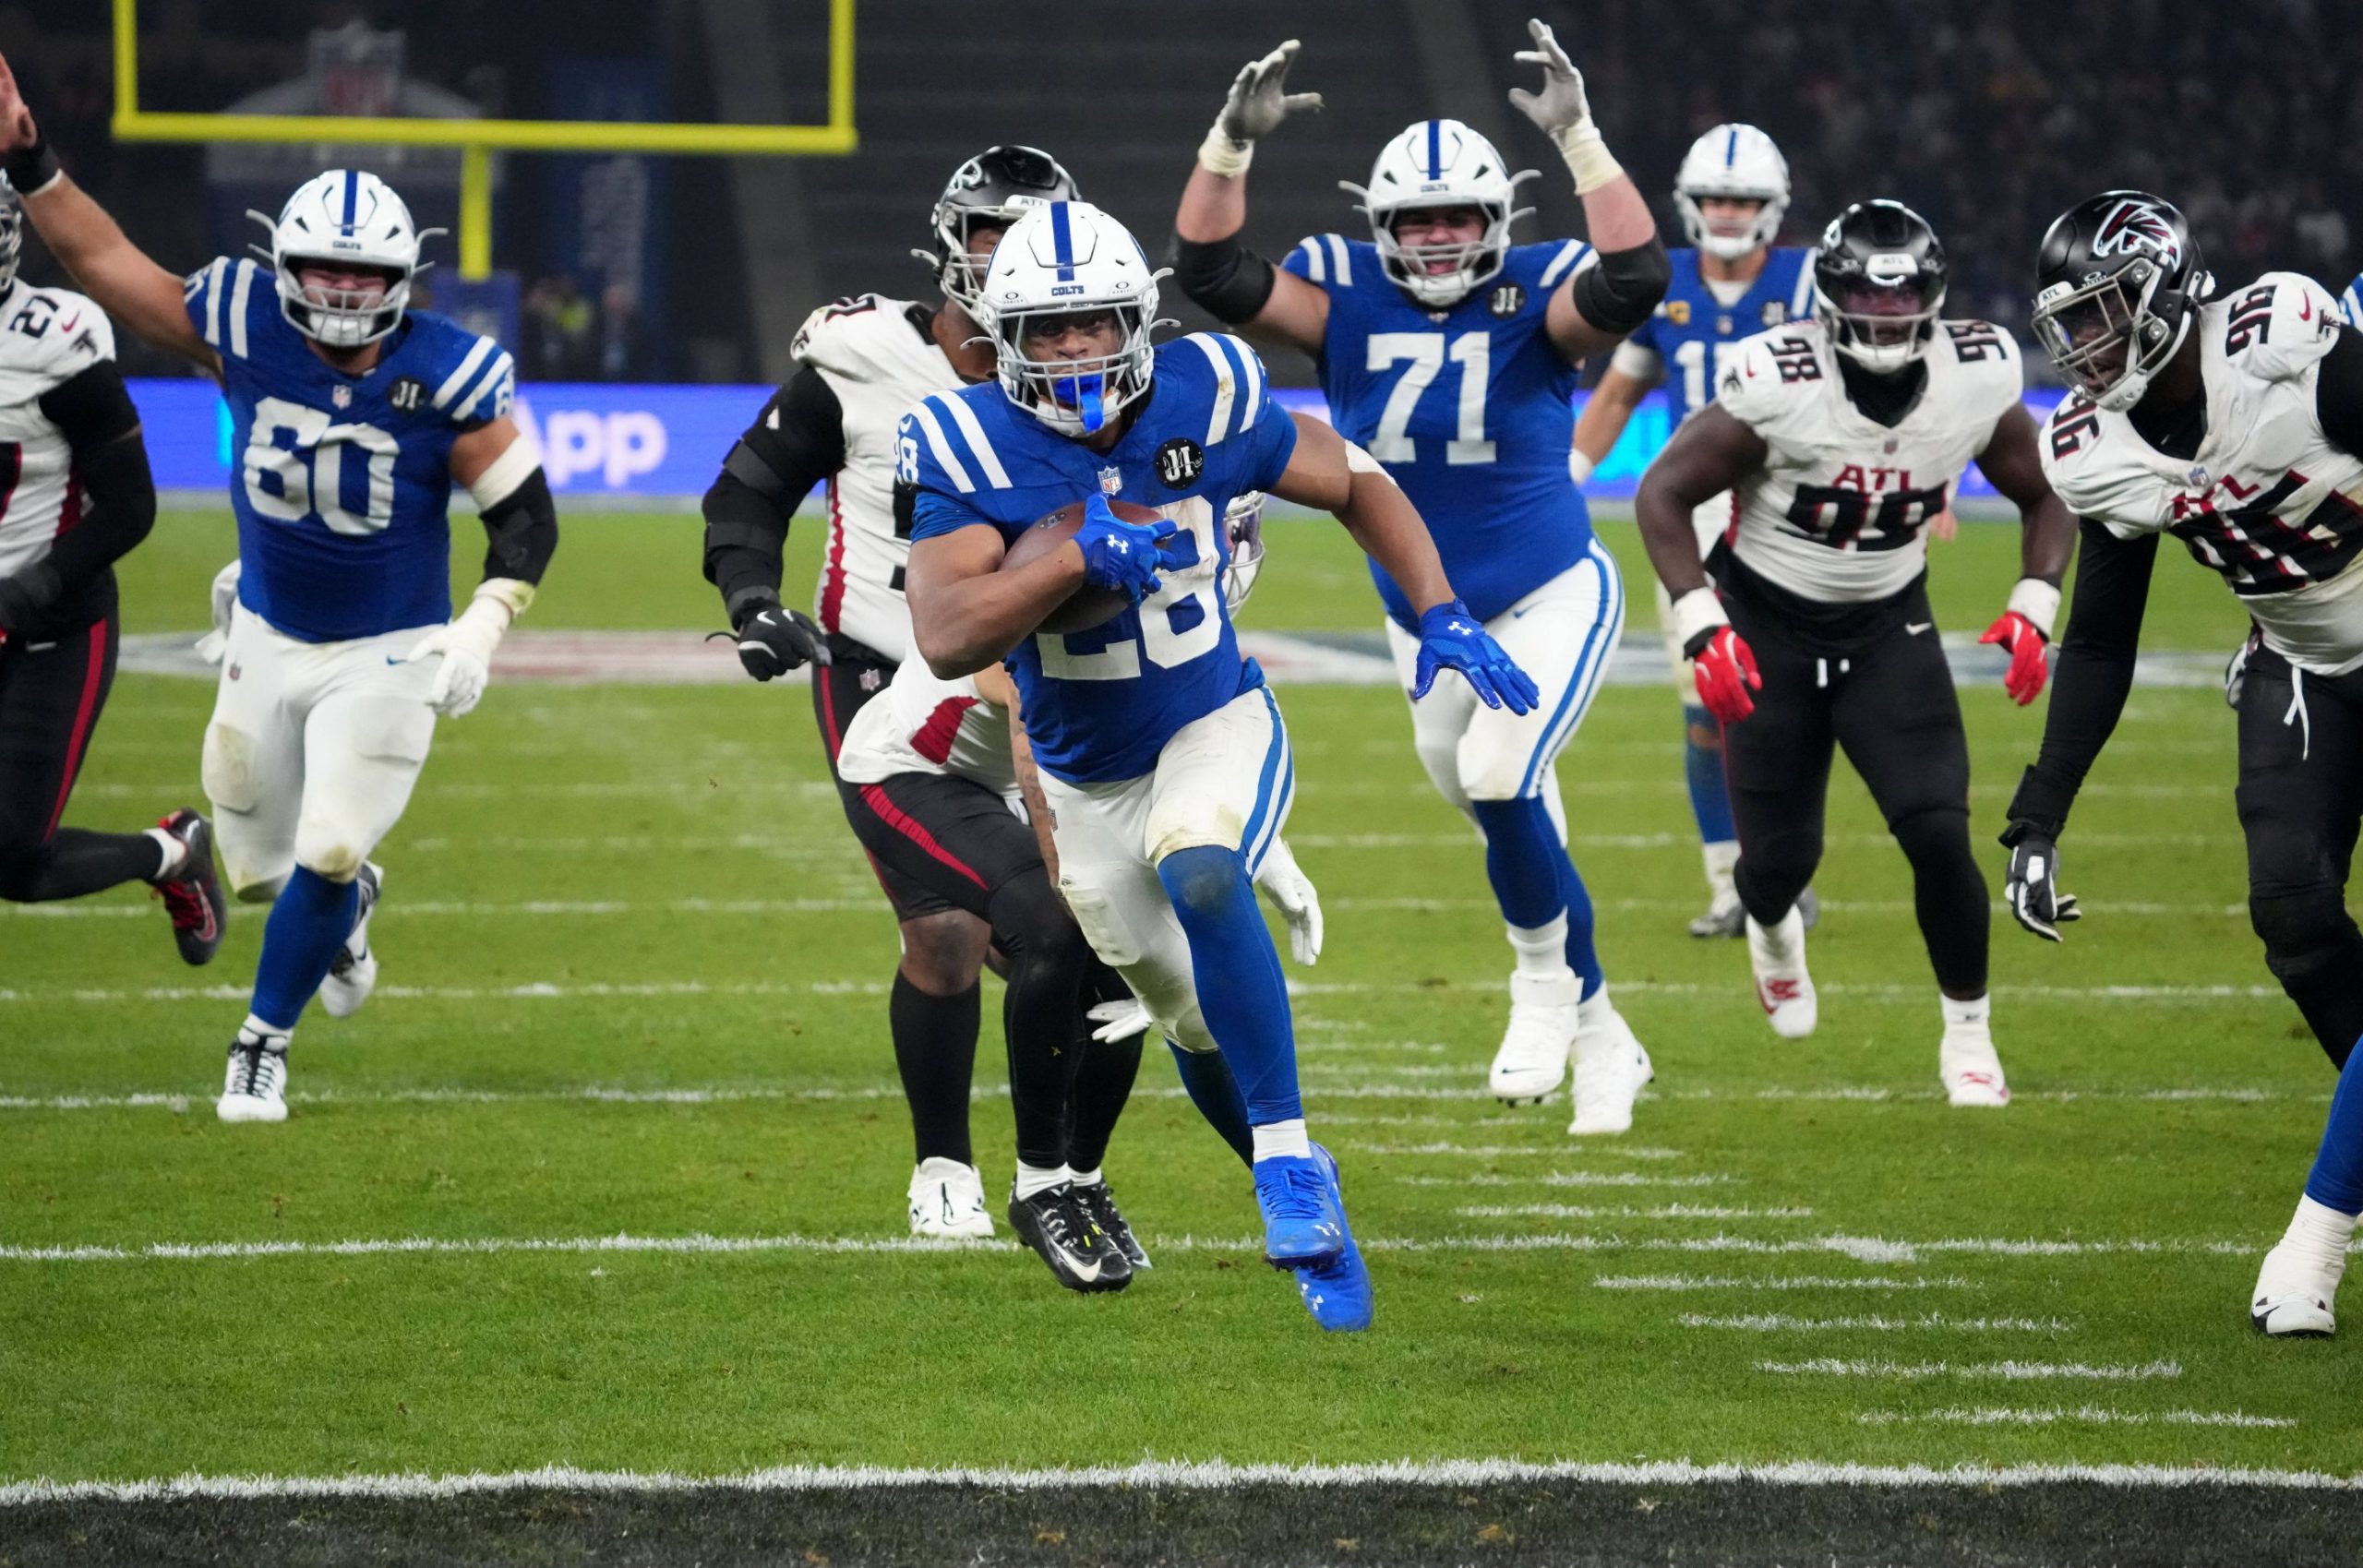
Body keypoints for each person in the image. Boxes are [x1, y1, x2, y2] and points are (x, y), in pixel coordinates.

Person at [900, 198, 1537, 1331]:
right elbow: (947, 636)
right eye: (1048, 330)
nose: (1076, 349)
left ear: (1136, 319)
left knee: (1200, 865)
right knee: (1191, 1020)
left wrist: (1438, 606)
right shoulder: (961, 438)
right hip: (1083, 776)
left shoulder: (1211, 387)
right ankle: (1309, 1190)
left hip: (1213, 716)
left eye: (1096, 323)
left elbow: (1357, 481)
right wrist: (1070, 562)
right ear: (1003, 337)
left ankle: (1283, 1163)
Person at [0, 59, 559, 1123]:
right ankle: (345, 911)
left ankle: (260, 1044)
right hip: (265, 627)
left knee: (331, 845)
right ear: (282, 265)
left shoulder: (449, 373)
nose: (341, 292)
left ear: (404, 276)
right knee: (260, 868)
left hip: (389, 646)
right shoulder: (242, 320)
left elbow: (526, 517)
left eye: (362, 275)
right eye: (322, 270)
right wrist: (31, 158)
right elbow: (104, 260)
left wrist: (482, 626)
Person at [1168, 22, 1669, 1131]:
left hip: (1549, 593)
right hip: (1423, 618)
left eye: (1460, 218)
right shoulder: (1343, 292)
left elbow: (1635, 275)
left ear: (1499, 222)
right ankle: (1603, 1033)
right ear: (1379, 227)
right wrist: (1228, 144)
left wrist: (1580, 138)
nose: (1440, 239)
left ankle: (1540, 987)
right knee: (1512, 816)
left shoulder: (1536, 292)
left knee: (1499, 774)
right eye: (1417, 221)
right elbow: (1209, 271)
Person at [701, 146, 1081, 1239]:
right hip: (880, 677)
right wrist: (752, 600)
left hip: (1040, 677)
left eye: (1031, 236)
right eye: (991, 234)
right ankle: (946, 1166)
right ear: (950, 242)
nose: (1007, 258)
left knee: (1082, 936)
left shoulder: (1081, 366)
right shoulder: (864, 355)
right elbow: (750, 487)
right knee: (951, 932)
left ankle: (1066, 1169)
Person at [1999, 191, 2363, 1334]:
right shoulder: (2093, 446)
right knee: (2294, 919)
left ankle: (2316, 1239)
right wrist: (2038, 813)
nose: (2083, 345)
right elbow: (2101, 639)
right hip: (2303, 663)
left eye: (2099, 313)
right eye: (2069, 324)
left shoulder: (2281, 346)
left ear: (2164, 289)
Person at [1634, 199, 2071, 1103]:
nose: (1885, 314)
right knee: (1777, 866)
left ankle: (1968, 1037)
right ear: (1831, 296)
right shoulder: (1779, 378)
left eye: (1903, 295)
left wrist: (2035, 598)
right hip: (1766, 627)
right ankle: (1771, 934)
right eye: (1868, 297)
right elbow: (1662, 492)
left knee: (1939, 835)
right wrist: (1702, 619)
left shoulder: (1974, 373)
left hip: (1886, 629)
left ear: (1933, 294)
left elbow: (2046, 490)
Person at [832, 499, 1323, 1293]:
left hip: (1037, 783)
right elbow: (1029, 736)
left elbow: (1185, 754)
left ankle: (1083, 1178)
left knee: (1120, 958)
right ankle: (1040, 1183)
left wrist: (1264, 850)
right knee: (1060, 925)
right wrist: (1075, 882)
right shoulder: (1063, 571)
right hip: (916, 770)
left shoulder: (1159, 604)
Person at [1569, 123, 1818, 938]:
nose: (1727, 211)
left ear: (1772, 206)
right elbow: (1617, 393)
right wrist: (1566, 478)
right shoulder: (1665, 283)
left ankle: (1783, 869)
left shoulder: (1811, 282)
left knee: (1790, 706)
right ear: (1690, 202)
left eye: (1742, 199)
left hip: (1795, 509)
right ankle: (1728, 884)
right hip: (1694, 517)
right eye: (1715, 197)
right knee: (1708, 708)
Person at [0, 177, 226, 948]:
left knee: (15, 860)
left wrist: (26, 591)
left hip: (52, 627)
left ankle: (172, 854)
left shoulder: (52, 344)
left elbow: (131, 507)